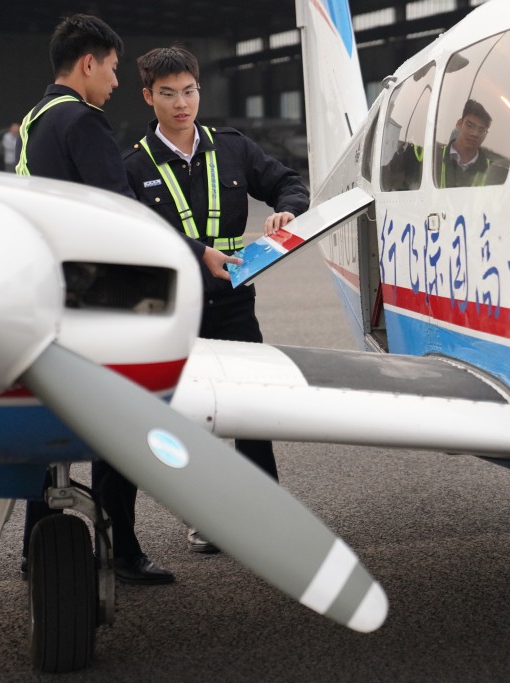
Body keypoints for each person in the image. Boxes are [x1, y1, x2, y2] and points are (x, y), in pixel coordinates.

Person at [14, 15, 237, 586]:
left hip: (50, 294)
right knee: (118, 431)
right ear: (88, 63)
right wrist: (196, 253)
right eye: (112, 69)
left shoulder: (35, 121)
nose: (114, 83)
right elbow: (123, 214)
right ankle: (122, 551)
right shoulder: (82, 122)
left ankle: (36, 549)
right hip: (96, 299)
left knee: (54, 433)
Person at [122, 46, 309, 553]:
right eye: (167, 94)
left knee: (250, 407)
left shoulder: (233, 148)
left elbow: (290, 183)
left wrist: (286, 213)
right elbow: (133, 234)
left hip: (231, 301)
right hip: (171, 306)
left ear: (199, 90)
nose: (181, 103)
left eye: (188, 91)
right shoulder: (132, 166)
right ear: (148, 97)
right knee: (186, 415)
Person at [435, 99, 507, 188]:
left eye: (481, 130)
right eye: (470, 126)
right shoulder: (433, 157)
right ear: (459, 124)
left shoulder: (495, 171)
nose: (475, 134)